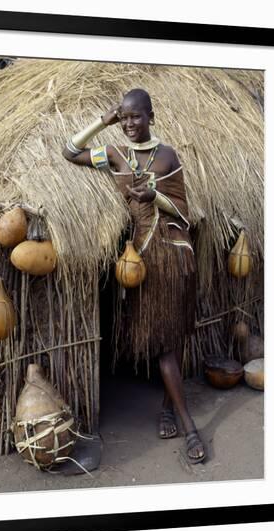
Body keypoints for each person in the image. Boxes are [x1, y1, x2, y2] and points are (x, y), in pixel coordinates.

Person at [62, 88, 205, 464]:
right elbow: (70, 151)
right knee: (163, 342)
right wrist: (101, 121)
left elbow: (183, 210)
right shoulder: (114, 155)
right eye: (123, 117)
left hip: (174, 254)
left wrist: (153, 197)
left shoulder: (168, 156)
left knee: (171, 338)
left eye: (135, 116)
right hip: (141, 259)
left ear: (151, 116)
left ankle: (185, 423)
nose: (128, 124)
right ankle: (171, 410)